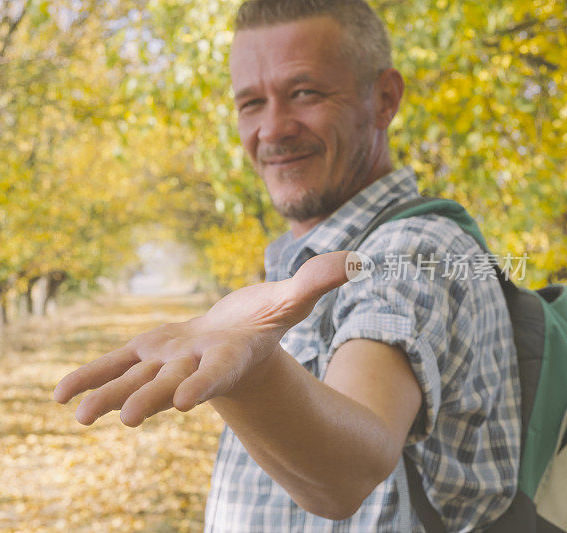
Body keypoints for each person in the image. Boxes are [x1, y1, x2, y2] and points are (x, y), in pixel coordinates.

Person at [54, 0, 521, 530]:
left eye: (305, 93)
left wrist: (254, 377)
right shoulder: (301, 259)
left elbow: (348, 471)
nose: (273, 129)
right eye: (251, 103)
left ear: (384, 99)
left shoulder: (410, 253)